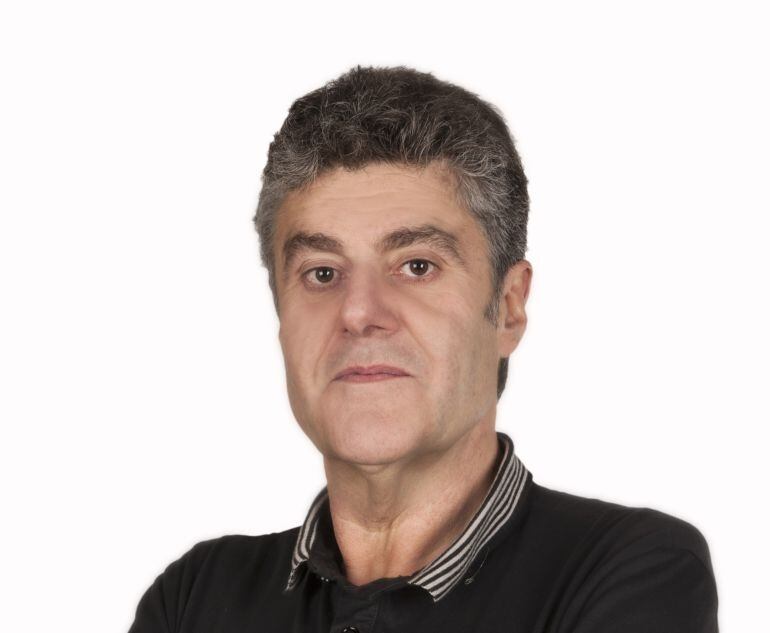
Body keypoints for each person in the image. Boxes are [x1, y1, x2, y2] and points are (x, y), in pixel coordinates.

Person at [127, 64, 719, 632]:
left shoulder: (628, 571)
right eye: (322, 273)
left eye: (416, 266)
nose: (358, 313)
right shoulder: (195, 597)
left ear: (508, 307)